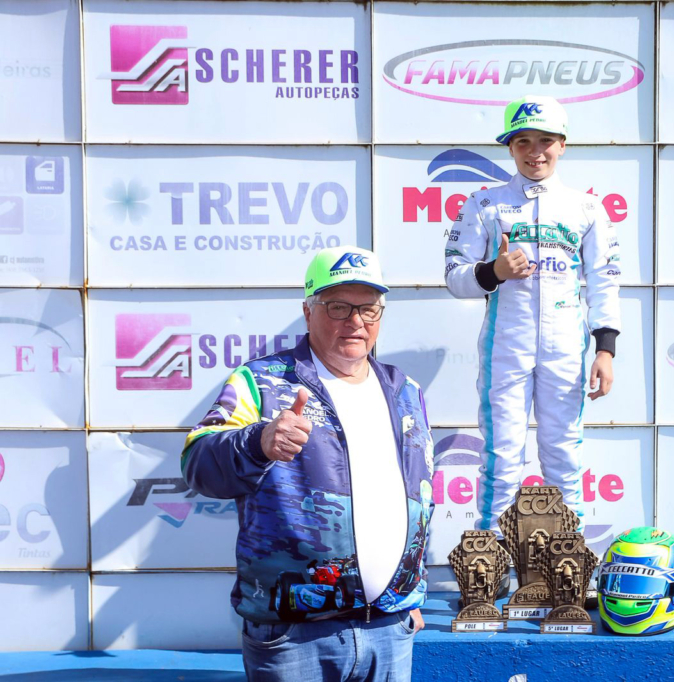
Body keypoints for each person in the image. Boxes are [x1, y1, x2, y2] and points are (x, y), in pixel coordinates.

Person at [182, 246, 433, 682]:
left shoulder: (405, 390)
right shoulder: (261, 382)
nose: (355, 321)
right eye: (338, 307)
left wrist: (411, 592)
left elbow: (420, 497)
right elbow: (198, 463)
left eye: (368, 308)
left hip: (390, 630)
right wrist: (258, 442)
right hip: (294, 636)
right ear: (308, 311)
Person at [443, 94, 621, 536]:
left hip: (566, 346)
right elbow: (454, 276)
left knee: (563, 455)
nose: (535, 151)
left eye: (545, 140)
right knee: (502, 457)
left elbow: (604, 280)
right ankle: (489, 558)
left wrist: (605, 349)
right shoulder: (484, 203)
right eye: (523, 141)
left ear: (563, 145)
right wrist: (494, 271)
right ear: (509, 147)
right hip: (506, 345)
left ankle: (569, 558)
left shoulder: (587, 207)